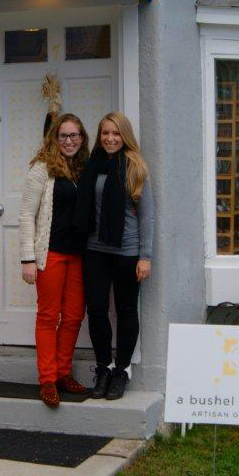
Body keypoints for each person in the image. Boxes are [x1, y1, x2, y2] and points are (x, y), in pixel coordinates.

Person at [75, 111, 154, 401]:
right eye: (106, 133)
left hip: (127, 251)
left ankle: (121, 370)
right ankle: (104, 367)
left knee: (126, 311)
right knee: (95, 310)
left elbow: (147, 217)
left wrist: (145, 257)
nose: (110, 138)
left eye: (116, 134)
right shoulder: (92, 165)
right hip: (94, 249)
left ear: (125, 136)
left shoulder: (135, 167)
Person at [18, 113, 91, 408]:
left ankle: (63, 373)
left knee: (73, 316)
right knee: (49, 316)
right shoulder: (42, 170)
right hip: (51, 254)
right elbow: (26, 215)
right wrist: (27, 259)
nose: (69, 141)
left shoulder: (86, 169)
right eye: (64, 136)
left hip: (80, 255)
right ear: (55, 138)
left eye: (74, 136)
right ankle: (47, 379)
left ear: (82, 139)